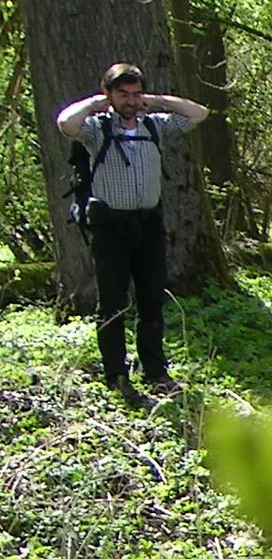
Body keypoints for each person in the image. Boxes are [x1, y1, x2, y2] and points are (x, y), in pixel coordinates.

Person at [56, 64, 208, 401]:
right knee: (112, 303)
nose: (130, 100)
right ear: (110, 94)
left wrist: (154, 100)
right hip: (110, 228)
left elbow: (198, 114)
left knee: (151, 299)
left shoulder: (155, 126)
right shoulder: (97, 130)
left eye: (135, 93)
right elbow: (66, 123)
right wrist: (96, 103)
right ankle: (116, 375)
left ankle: (155, 372)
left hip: (148, 225)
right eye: (123, 93)